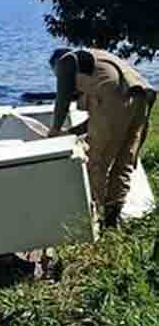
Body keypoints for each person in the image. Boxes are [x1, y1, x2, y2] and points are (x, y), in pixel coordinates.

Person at [48, 48, 155, 228]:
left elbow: (62, 101)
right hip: (142, 98)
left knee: (97, 161)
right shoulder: (98, 62)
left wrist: (55, 131)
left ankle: (95, 218)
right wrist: (72, 131)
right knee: (124, 162)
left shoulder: (65, 61)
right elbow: (110, 117)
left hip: (118, 98)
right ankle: (113, 219)